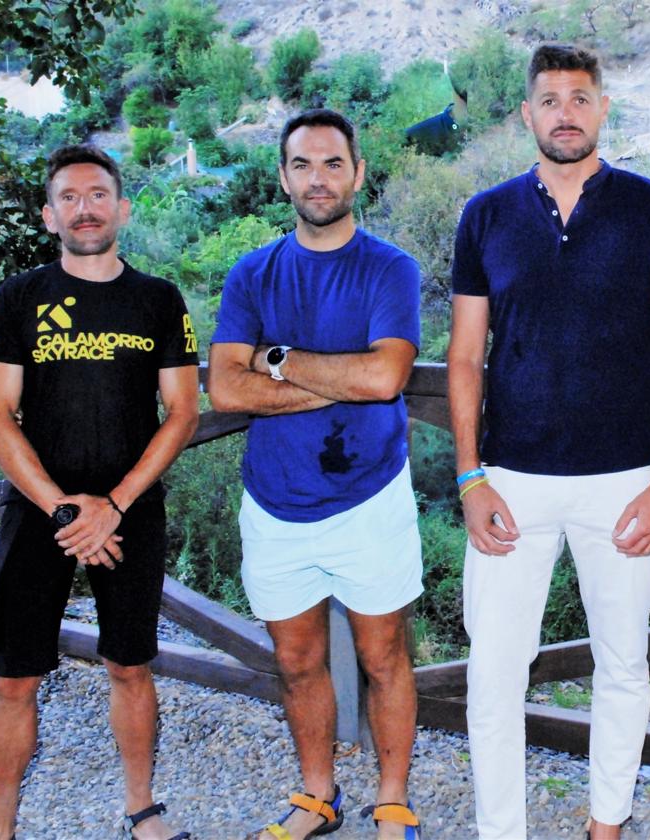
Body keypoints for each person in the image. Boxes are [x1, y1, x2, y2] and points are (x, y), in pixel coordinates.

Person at [448, 44, 650, 840]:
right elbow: (463, 357)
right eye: (550, 98)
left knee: (623, 667)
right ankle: (502, 832)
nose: (565, 111)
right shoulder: (485, 215)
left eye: (581, 97)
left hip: (624, 478)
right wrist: (469, 477)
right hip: (510, 481)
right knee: (493, 677)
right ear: (526, 114)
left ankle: (607, 824)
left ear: (602, 110)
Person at [207, 109, 423, 840]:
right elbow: (225, 390)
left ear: (358, 173)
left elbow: (388, 374)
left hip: (370, 497)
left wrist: (278, 357)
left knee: (384, 655)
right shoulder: (253, 271)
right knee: (297, 662)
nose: (319, 178)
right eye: (303, 164)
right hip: (274, 503)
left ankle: (392, 797)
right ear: (283, 178)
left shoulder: (389, 267)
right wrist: (343, 379)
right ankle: (316, 796)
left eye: (334, 163)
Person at [0, 144, 200, 840]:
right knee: (14, 681)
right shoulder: (17, 298)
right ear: (49, 215)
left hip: (129, 511)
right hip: (41, 509)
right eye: (68, 197)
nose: (85, 207)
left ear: (122, 209)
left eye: (98, 194)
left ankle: (142, 810)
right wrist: (65, 510)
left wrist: (116, 503)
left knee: (130, 666)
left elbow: (184, 413)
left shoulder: (160, 300)